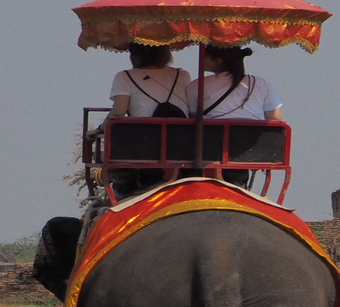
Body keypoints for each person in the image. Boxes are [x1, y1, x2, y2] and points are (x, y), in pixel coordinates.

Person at [186, 45, 282, 187]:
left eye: (204, 56)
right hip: (249, 151)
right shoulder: (260, 84)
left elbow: (191, 116)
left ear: (218, 60)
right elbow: (276, 118)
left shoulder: (198, 85)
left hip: (209, 150)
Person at [102, 44, 190, 198]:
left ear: (135, 55)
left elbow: (118, 112)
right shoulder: (182, 75)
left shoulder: (124, 77)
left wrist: (98, 129)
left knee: (116, 142)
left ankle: (123, 191)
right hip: (181, 142)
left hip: (144, 145)